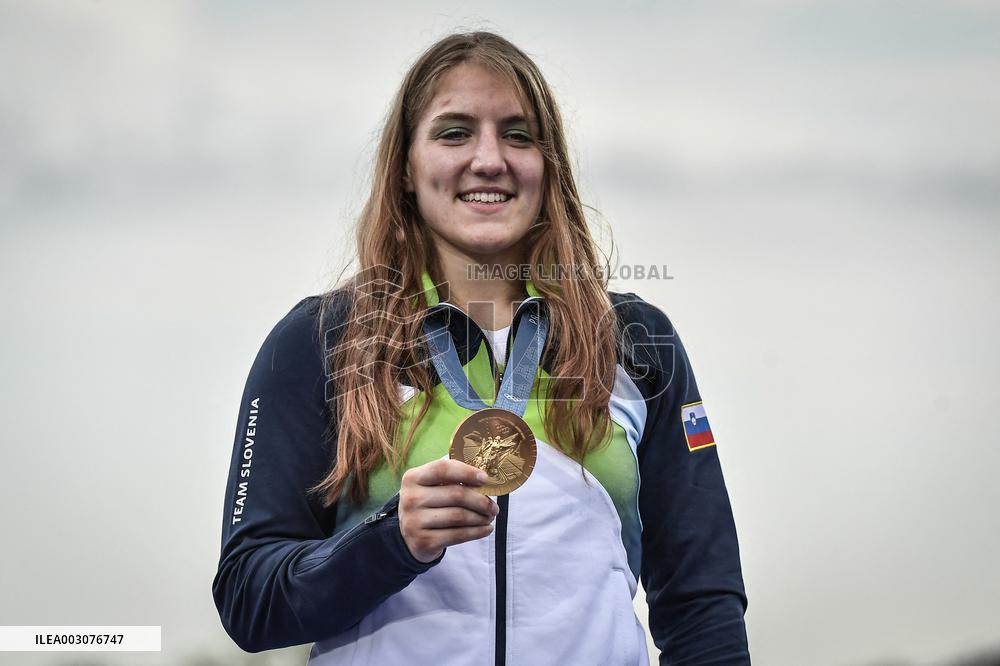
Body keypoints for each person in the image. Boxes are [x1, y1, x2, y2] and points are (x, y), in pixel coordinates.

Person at [212, 31, 750, 665]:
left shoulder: (635, 342)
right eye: (454, 132)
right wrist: (391, 541)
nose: (490, 159)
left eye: (519, 135)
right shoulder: (321, 340)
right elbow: (249, 598)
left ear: (548, 167)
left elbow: (702, 602)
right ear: (406, 169)